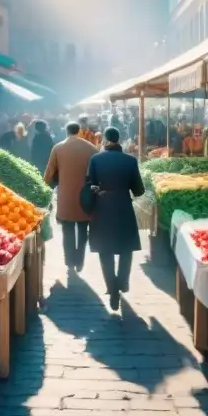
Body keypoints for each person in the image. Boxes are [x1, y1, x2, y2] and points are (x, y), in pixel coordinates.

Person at [86, 127, 145, 310]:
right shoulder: (130, 160)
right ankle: (122, 282)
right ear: (119, 140)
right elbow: (139, 190)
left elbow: (90, 184)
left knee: (105, 249)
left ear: (104, 140)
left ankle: (111, 288)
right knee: (126, 247)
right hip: (123, 206)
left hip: (102, 207)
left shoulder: (96, 159)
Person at [44, 122, 98, 273]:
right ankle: (80, 260)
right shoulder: (91, 148)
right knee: (82, 230)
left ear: (66, 131)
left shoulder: (58, 148)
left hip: (65, 196)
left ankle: (69, 262)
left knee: (67, 231)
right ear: (79, 131)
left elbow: (49, 173)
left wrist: (46, 187)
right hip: (85, 197)